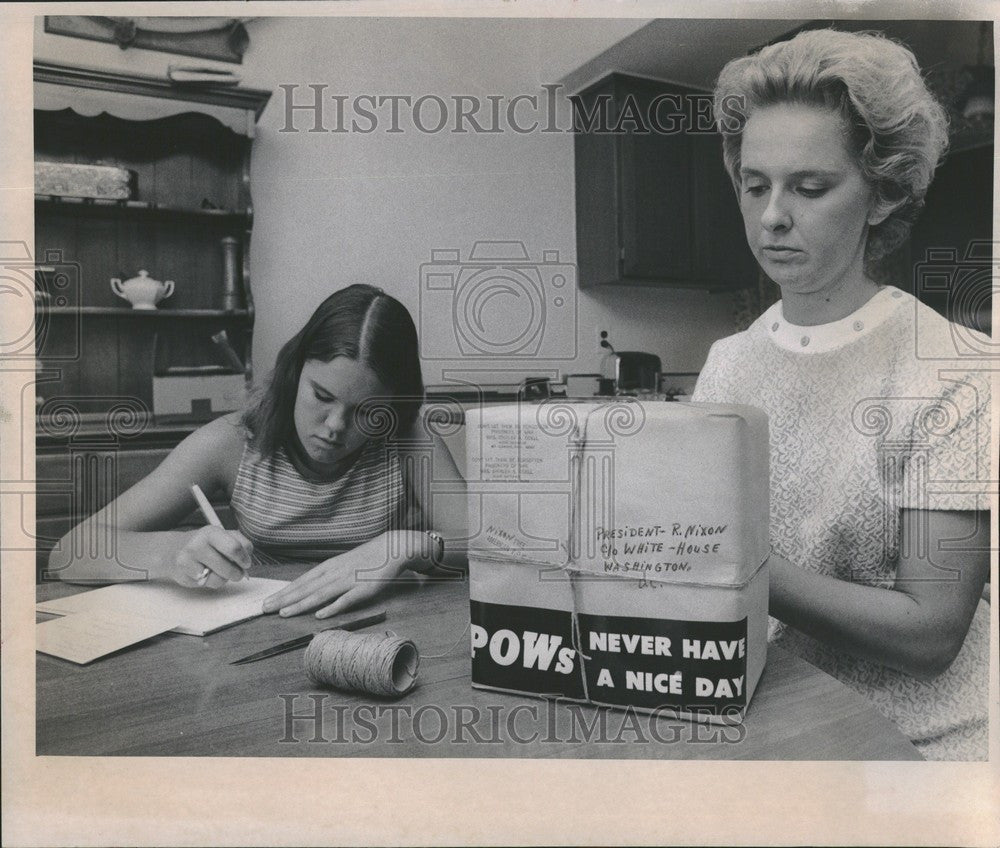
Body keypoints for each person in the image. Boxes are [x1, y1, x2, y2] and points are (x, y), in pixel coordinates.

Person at [693, 29, 991, 760]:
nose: (771, 216)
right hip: (770, 719)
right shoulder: (726, 366)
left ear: (884, 193)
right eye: (755, 184)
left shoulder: (956, 370)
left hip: (922, 745)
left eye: (810, 187)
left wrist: (743, 565)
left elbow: (930, 634)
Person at [49, 284, 467, 620]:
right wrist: (171, 552)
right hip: (261, 631)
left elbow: (488, 545)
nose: (335, 426)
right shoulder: (231, 442)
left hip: (379, 630)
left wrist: (403, 546)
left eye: (366, 412)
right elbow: (69, 553)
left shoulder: (409, 439)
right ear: (294, 372)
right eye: (321, 395)